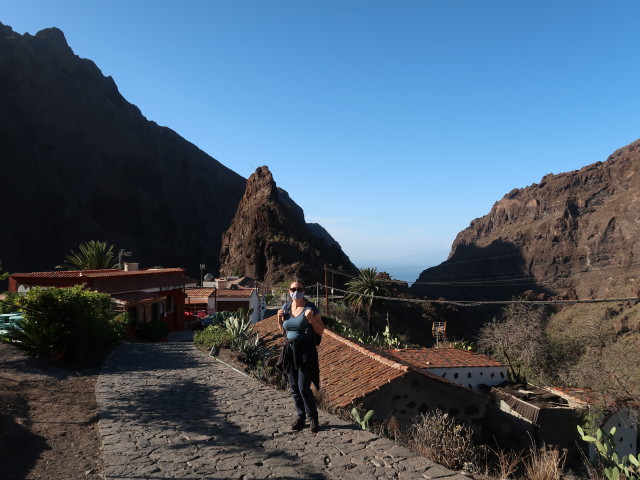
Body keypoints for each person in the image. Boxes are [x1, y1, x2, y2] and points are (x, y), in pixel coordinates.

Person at [276, 279, 325, 433]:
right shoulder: (286, 307)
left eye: (299, 289)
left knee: (304, 387)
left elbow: (321, 330)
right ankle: (300, 417)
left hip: (305, 352)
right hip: (289, 352)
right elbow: (283, 331)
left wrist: (310, 318)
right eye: (293, 289)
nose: (296, 291)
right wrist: (279, 319)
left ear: (304, 291)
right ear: (289, 291)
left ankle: (313, 418)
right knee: (294, 387)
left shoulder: (311, 308)